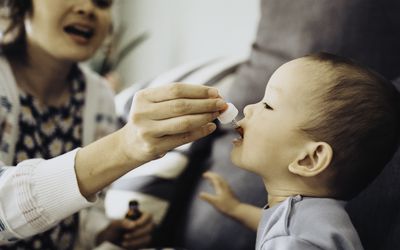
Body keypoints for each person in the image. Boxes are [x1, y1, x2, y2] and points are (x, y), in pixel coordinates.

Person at [0, 0, 226, 249]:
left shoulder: (98, 96)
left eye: (102, 2)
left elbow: (81, 218)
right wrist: (122, 147)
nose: (87, 8)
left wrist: (103, 233)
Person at [200, 52, 400, 249]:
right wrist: (236, 209)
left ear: (309, 159)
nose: (250, 108)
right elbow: (277, 225)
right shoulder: (319, 218)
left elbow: (285, 234)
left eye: (268, 105)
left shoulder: (294, 240)